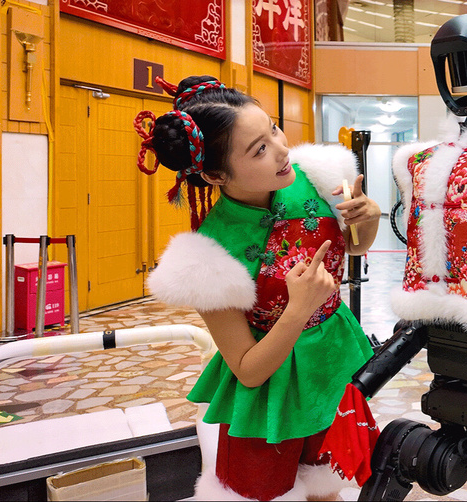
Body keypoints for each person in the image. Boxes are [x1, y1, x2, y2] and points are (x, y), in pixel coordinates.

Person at [135, 75, 380, 501]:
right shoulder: (207, 255)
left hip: (332, 367)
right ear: (215, 173)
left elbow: (355, 246)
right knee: (264, 493)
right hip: (269, 397)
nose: (283, 149)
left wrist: (369, 217)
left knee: (327, 487)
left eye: (273, 129)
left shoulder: (317, 177)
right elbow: (247, 369)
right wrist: (299, 310)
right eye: (260, 149)